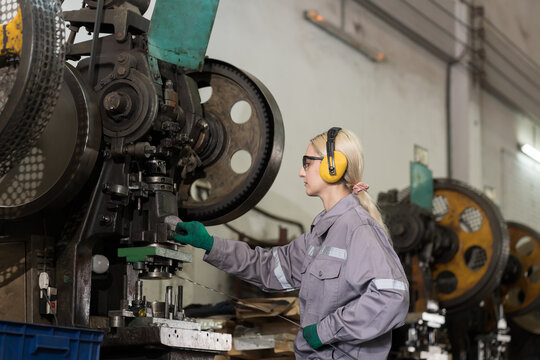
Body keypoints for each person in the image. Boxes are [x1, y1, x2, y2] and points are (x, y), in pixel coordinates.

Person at [174, 127, 409, 359]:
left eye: (307, 163)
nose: (301, 172)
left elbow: (391, 297)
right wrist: (210, 244)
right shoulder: (319, 238)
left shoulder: (359, 229)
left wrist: (325, 330)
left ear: (332, 167)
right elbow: (266, 267)